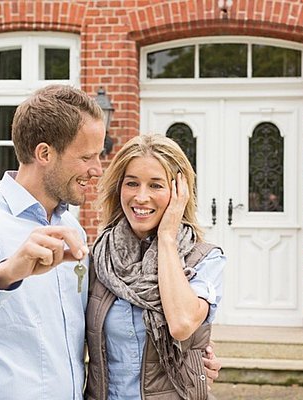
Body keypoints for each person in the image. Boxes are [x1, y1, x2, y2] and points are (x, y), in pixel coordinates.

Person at [0, 85, 220, 399]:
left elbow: (112, 329)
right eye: (86, 156)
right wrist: (6, 275)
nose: (97, 169)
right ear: (45, 153)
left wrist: (193, 359)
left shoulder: (72, 228)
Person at [85, 135, 225, 400]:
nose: (141, 197)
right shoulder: (99, 259)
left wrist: (167, 238)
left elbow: (182, 324)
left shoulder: (205, 260)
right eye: (132, 183)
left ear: (179, 193)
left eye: (156, 185)